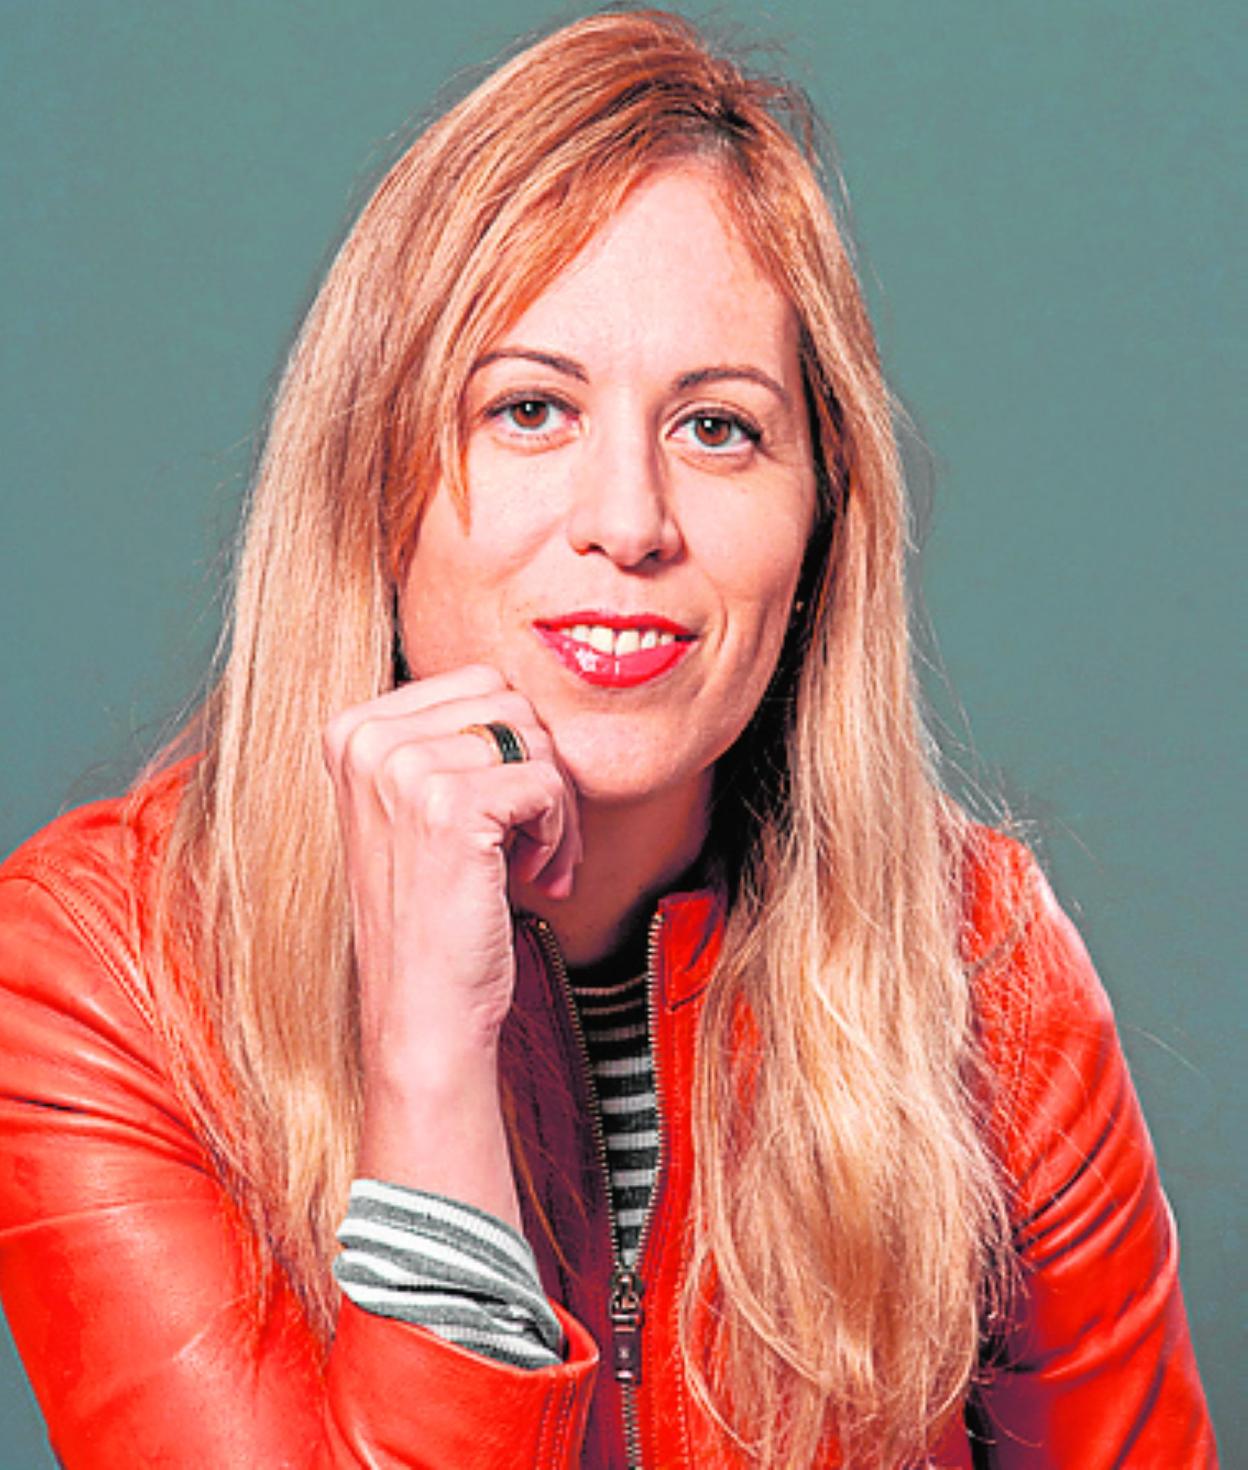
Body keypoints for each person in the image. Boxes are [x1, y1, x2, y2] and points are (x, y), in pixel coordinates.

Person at [0, 10, 1216, 1468]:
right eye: (530, 409)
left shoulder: (986, 969)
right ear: (372, 483)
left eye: (719, 429)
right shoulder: (95, 976)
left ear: (821, 525)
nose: (631, 523)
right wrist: (429, 1063)